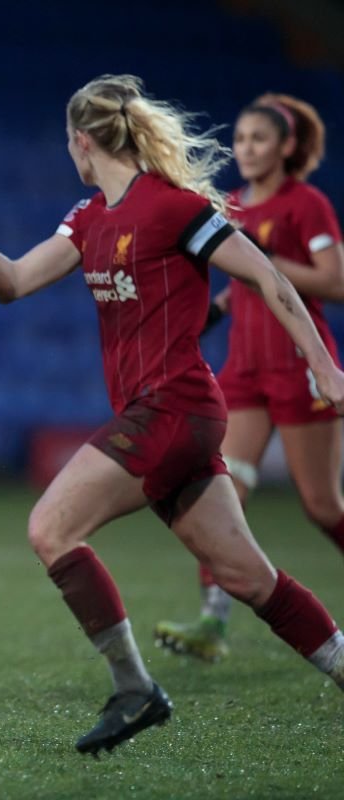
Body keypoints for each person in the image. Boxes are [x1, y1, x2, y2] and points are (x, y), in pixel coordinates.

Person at [0, 74, 344, 756]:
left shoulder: (174, 208)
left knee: (51, 529)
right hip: (165, 417)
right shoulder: (89, 217)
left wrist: (323, 364)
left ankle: (134, 688)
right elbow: (12, 283)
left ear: (81, 139)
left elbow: (267, 277)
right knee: (251, 579)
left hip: (176, 407)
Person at [155, 93, 344, 661]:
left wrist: (264, 261)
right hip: (245, 372)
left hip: (296, 370)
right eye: (239, 139)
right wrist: (209, 314)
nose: (246, 149)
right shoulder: (231, 204)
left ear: (286, 148)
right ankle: (213, 627)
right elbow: (240, 287)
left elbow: (334, 281)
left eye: (258, 139)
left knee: (321, 505)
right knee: (220, 494)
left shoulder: (305, 204)